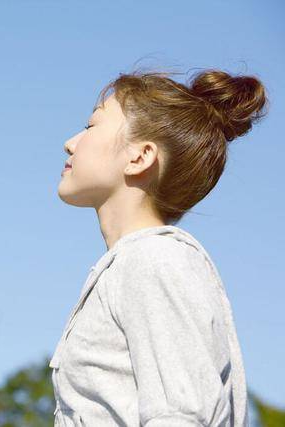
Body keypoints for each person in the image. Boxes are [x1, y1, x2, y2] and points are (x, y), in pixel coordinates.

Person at [50, 68, 269, 426]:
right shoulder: (133, 264)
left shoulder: (154, 259)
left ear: (140, 157)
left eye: (91, 126)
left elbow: (180, 416)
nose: (71, 142)